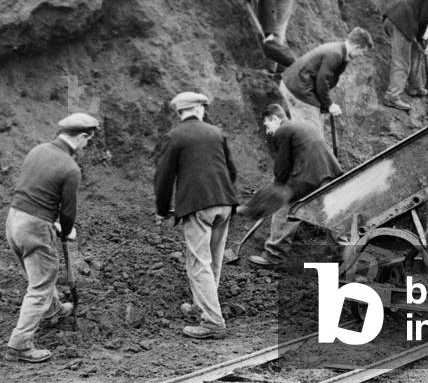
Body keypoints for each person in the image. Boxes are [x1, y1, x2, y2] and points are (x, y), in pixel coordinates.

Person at [4, 112, 100, 363]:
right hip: (35, 226)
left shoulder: (37, 150)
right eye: (87, 140)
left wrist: (52, 222)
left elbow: (34, 189)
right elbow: (68, 211)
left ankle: (53, 311)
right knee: (40, 284)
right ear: (81, 137)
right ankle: (20, 344)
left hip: (14, 219)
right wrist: (67, 230)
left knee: (38, 275)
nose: (87, 145)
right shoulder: (70, 167)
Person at [154, 91, 240, 339]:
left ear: (180, 112)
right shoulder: (216, 133)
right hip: (225, 203)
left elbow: (164, 177)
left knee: (199, 263)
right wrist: (225, 196)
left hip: (198, 206)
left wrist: (162, 210)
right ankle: (201, 305)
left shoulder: (174, 137)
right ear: (200, 109)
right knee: (214, 260)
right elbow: (231, 171)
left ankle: (213, 321)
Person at [248, 104, 343, 267]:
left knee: (283, 209)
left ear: (274, 118)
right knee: (331, 214)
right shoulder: (301, 126)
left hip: (309, 176)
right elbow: (301, 155)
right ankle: (342, 254)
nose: (268, 130)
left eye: (267, 125)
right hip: (329, 171)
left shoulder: (283, 130)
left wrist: (277, 187)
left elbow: (282, 165)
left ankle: (273, 255)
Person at [279, 27, 374, 139]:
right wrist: (329, 105)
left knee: (303, 132)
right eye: (362, 51)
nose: (361, 55)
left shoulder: (339, 51)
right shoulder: (336, 54)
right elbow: (322, 82)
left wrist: (325, 106)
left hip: (293, 85)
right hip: (299, 91)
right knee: (313, 138)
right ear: (357, 47)